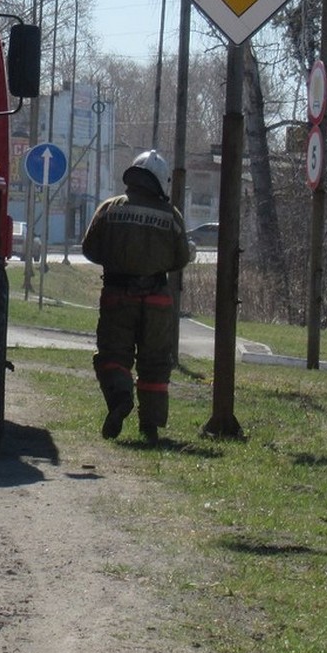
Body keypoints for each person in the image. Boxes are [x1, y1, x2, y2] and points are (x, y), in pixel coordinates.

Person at [81, 150, 192, 443]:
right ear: (160, 182)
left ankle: (120, 398)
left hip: (117, 295)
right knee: (155, 362)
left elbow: (89, 248)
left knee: (113, 355)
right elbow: (181, 258)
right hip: (157, 300)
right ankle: (150, 427)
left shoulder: (109, 208)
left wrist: (118, 259)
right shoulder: (171, 216)